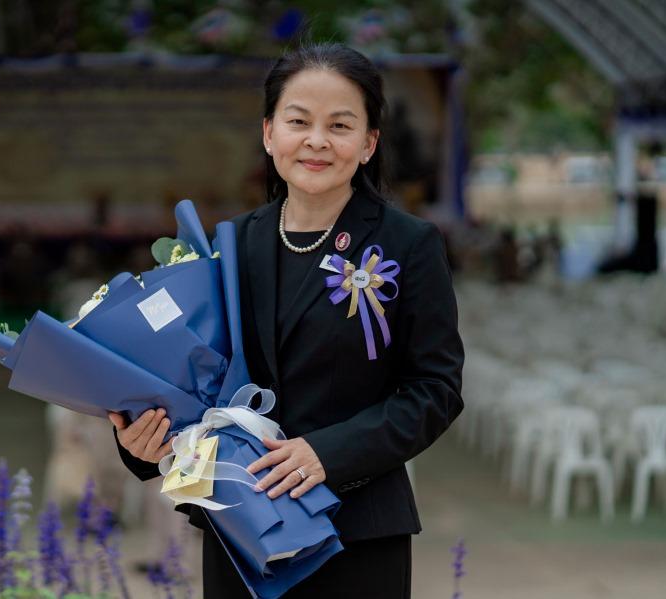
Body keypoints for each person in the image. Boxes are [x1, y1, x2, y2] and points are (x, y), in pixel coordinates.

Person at [110, 43, 464, 599]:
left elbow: (435, 390)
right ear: (270, 133)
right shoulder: (227, 247)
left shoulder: (409, 245)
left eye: (340, 125)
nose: (317, 140)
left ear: (369, 143)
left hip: (359, 532)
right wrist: (144, 441)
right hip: (239, 525)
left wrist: (328, 453)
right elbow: (197, 383)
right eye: (298, 121)